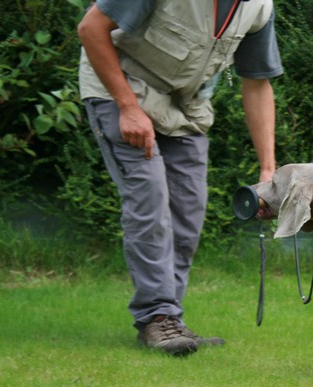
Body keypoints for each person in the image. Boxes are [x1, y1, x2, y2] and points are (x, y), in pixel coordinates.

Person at [77, 0, 282, 356]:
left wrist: (268, 169)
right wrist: (127, 107)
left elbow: (257, 82)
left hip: (185, 109)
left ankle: (169, 319)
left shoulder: (259, 7)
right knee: (150, 203)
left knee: (187, 216)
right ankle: (157, 317)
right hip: (122, 91)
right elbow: (91, 29)